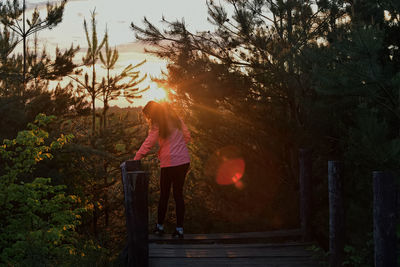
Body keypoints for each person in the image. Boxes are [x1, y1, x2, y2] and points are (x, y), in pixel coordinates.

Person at [133, 101, 191, 238]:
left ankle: (160, 227)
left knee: (164, 195)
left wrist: (136, 158)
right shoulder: (177, 119)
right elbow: (187, 136)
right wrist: (179, 147)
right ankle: (179, 229)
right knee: (178, 195)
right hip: (183, 161)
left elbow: (149, 142)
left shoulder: (157, 124)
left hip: (170, 163)